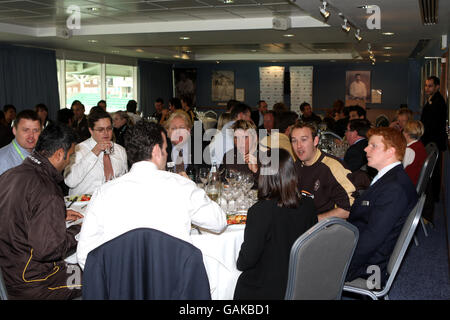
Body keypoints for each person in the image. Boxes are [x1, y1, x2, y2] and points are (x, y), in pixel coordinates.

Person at [76, 121, 226, 269]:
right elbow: (218, 222)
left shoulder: (104, 192)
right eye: (165, 149)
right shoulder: (182, 186)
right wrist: (193, 186)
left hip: (123, 288)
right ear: (156, 151)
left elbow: (84, 255)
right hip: (173, 283)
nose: (167, 154)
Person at [0, 123, 82, 300]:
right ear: (60, 153)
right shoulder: (48, 191)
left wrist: (55, 214)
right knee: (97, 274)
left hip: (10, 270)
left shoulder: (11, 174)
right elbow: (49, 250)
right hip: (37, 282)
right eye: (71, 156)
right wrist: (80, 229)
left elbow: (21, 211)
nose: (70, 161)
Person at [234, 148, 317, 300]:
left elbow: (245, 261)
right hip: (301, 284)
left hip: (266, 289)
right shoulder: (309, 205)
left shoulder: (260, 211)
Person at [346, 127, 418, 286]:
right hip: (362, 247)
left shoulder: (394, 189)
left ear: (390, 151)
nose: (365, 148)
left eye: (373, 146)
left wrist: (342, 263)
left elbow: (372, 239)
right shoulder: (391, 177)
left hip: (370, 266)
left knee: (301, 259)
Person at [290, 122, 356, 221]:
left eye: (304, 140)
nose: (298, 146)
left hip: (326, 228)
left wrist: (313, 220)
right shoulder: (297, 165)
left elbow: (349, 208)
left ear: (315, 141)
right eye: (294, 141)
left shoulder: (332, 167)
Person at [64, 110, 128, 196]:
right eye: (100, 130)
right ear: (91, 130)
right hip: (84, 205)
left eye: (109, 128)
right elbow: (70, 181)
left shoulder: (120, 150)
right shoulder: (78, 149)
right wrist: (94, 152)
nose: (106, 133)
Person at [420, 76, 447, 223]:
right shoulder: (432, 99)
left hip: (433, 141)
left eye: (430, 86)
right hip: (431, 140)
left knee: (434, 171)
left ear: (437, 87)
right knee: (432, 171)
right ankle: (433, 196)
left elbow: (432, 124)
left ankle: (434, 197)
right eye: (426, 86)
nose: (427, 89)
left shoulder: (438, 101)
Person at [0, 110, 41, 175]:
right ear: (14, 131)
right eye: (26, 130)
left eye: (35, 130)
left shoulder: (42, 154)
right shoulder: (2, 160)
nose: (31, 135)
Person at [402, 120, 427, 186]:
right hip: (414, 182)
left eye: (404, 131)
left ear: (407, 134)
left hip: (408, 185)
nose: (402, 133)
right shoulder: (419, 145)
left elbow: (401, 169)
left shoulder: (409, 150)